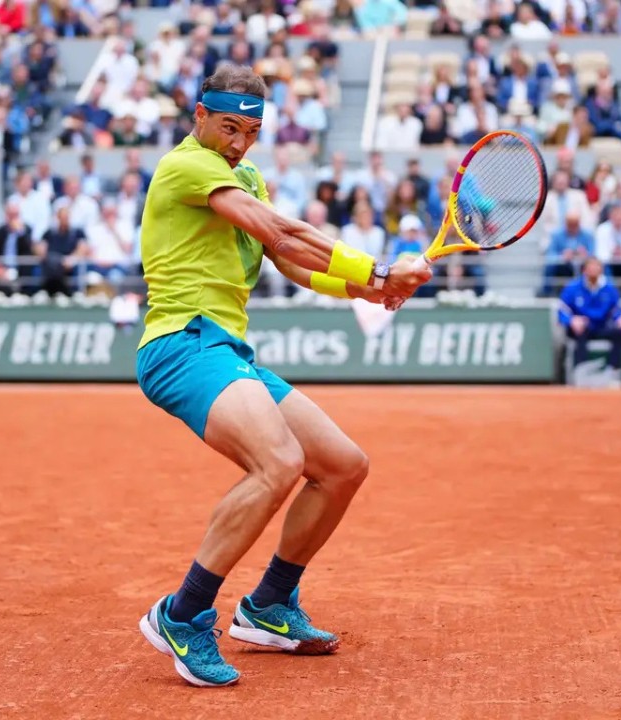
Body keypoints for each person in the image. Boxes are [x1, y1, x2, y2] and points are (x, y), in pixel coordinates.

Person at [133, 65, 430, 688]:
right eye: (229, 127)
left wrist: (365, 292)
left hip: (228, 349)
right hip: (180, 343)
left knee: (342, 464)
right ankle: (182, 615)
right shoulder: (185, 165)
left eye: (252, 131)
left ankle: (269, 606)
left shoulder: (246, 176)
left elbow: (287, 257)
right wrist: (377, 272)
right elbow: (280, 229)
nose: (240, 143)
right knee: (278, 463)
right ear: (200, 117)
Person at [557, 256, 621, 387]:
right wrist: (572, 320)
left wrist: (620, 318)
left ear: (601, 270)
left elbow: (616, 310)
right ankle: (581, 373)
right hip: (581, 328)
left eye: (597, 267)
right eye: (590, 267)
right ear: (584, 270)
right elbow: (562, 311)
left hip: (601, 326)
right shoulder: (573, 288)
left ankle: (614, 372)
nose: (594, 270)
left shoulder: (609, 289)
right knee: (580, 331)